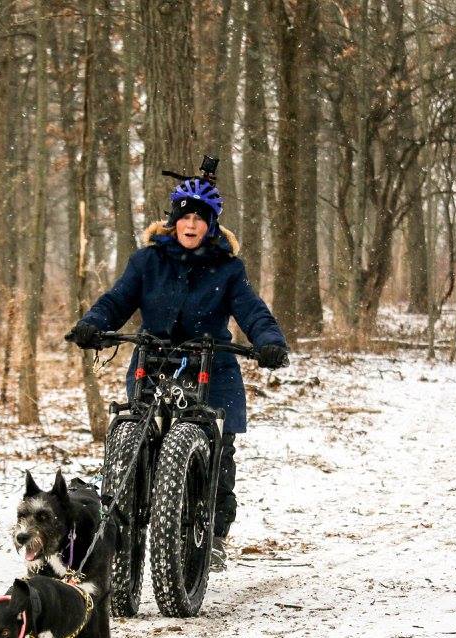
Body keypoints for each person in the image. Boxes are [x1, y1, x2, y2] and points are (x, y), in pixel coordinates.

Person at [66, 173, 289, 572]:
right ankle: (123, 524)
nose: (191, 225)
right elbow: (117, 300)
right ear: (173, 220)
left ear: (212, 224)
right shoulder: (147, 261)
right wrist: (92, 323)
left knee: (218, 448)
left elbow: (252, 311)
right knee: (130, 434)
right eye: (185, 217)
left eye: (200, 219)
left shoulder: (228, 269)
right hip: (153, 362)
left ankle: (213, 534)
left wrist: (270, 341)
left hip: (212, 364)